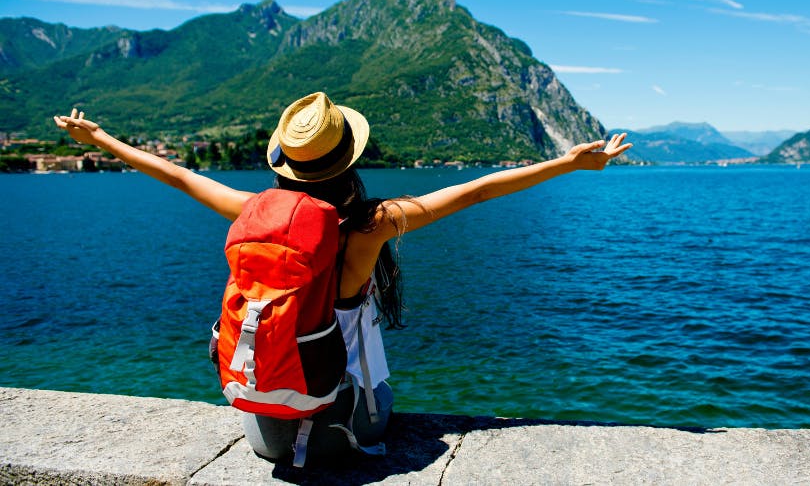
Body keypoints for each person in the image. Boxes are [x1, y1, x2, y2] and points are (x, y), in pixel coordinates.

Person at [54, 92, 631, 463]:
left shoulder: (252, 210)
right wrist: (571, 163)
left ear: (288, 162)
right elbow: (477, 190)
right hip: (353, 426)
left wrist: (99, 139)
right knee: (381, 389)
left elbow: (177, 176)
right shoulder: (369, 224)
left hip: (266, 429)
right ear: (346, 160)